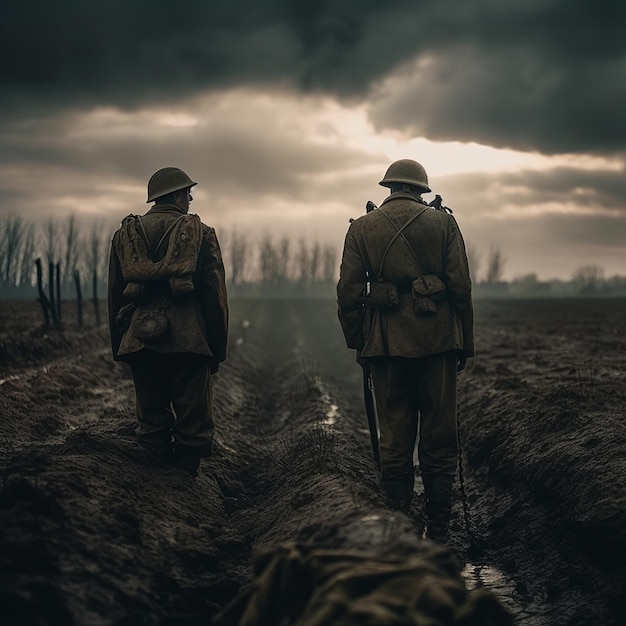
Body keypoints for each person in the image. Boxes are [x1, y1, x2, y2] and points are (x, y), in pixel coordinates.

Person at [336, 159, 474, 539]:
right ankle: (440, 527)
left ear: (390, 187)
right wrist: (466, 343)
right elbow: (461, 288)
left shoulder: (361, 228)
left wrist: (358, 342)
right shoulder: (444, 223)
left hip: (385, 345)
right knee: (439, 434)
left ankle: (397, 523)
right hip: (439, 342)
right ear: (421, 189)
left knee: (394, 437)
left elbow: (348, 294)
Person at [108, 167, 228, 476]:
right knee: (192, 424)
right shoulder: (202, 233)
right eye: (187, 193)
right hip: (190, 340)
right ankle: (183, 485)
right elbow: (214, 297)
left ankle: (152, 487)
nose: (190, 198)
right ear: (176, 195)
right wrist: (216, 347)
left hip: (140, 339)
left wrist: (120, 344)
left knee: (151, 420)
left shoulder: (124, 235)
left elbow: (114, 295)